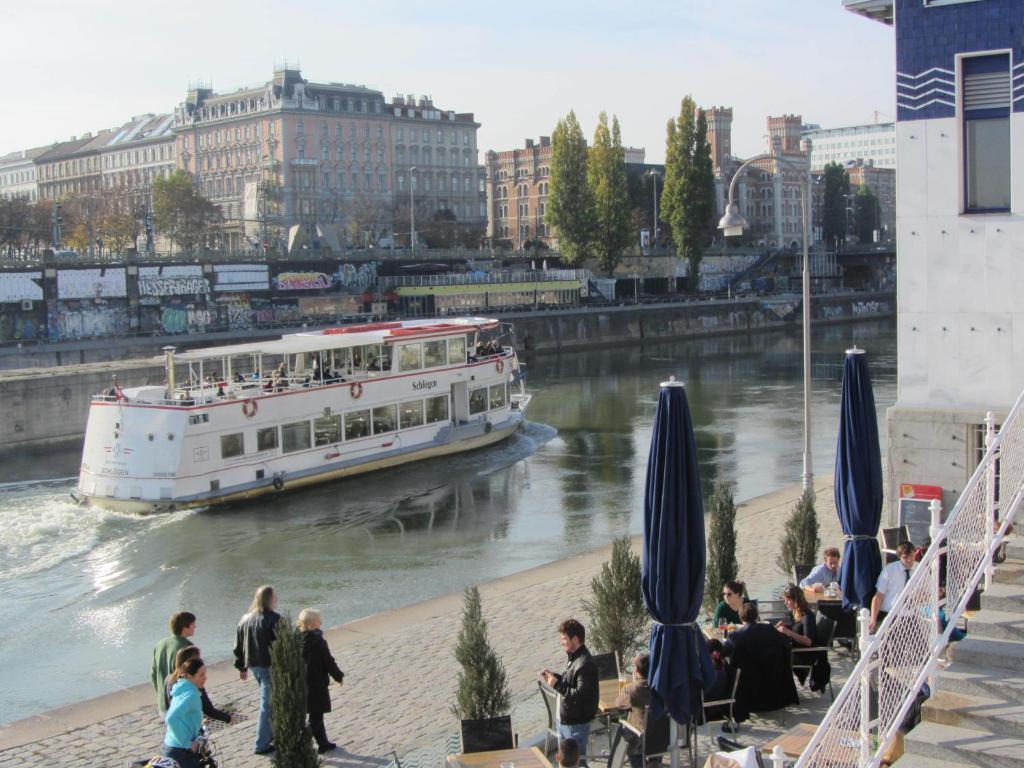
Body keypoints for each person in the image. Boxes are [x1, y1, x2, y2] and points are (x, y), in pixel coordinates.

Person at [724, 603, 799, 720]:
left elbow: (724, 652)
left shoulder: (735, 636)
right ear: (756, 616)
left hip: (749, 694)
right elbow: (785, 643)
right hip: (774, 689)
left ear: (741, 618)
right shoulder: (770, 630)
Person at [541, 619, 599, 765]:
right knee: (566, 764)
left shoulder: (585, 663)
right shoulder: (575, 658)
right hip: (566, 722)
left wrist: (557, 685)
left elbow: (580, 695)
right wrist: (556, 678)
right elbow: (571, 682)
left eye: (564, 639)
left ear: (575, 639)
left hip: (576, 725)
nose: (562, 643)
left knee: (578, 764)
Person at [234, 585, 281, 755]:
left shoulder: (245, 619)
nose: (277, 598)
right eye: (275, 596)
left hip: (253, 664)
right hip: (269, 665)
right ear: (270, 599)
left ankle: (273, 735)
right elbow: (283, 644)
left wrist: (241, 666)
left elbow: (238, 644)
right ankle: (261, 744)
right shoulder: (274, 619)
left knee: (270, 701)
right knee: (267, 704)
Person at [299, 608, 345, 754]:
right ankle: (303, 743)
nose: (322, 623)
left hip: (301, 683)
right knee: (316, 716)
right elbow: (328, 662)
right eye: (319, 621)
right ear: (313, 625)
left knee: (313, 714)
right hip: (316, 683)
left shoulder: (297, 641)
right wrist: (338, 676)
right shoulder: (318, 642)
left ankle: (323, 742)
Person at [165, 646, 232, 724]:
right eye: (198, 659)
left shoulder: (169, 679)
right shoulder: (194, 683)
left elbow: (168, 703)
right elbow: (208, 709)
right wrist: (228, 718)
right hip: (192, 727)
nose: (200, 661)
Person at [162, 656, 207, 768]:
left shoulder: (181, 688)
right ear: (189, 677)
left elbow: (183, 716)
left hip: (171, 745)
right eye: (201, 675)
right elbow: (171, 718)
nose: (205, 678)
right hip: (180, 751)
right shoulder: (191, 695)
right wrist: (187, 743)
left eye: (205, 674)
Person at [614, 653, 656, 768]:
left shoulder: (633, 689)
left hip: (641, 739)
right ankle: (655, 761)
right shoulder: (660, 687)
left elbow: (618, 704)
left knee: (626, 729)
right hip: (662, 738)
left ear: (637, 671)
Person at [151, 611, 196, 715]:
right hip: (181, 704)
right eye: (193, 624)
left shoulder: (160, 644)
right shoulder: (187, 647)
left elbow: (153, 675)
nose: (195, 626)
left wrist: (162, 695)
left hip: (163, 704)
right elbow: (191, 677)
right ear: (185, 627)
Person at [870, 541, 917, 633]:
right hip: (890, 615)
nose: (909, 560)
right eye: (905, 557)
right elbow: (878, 596)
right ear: (899, 557)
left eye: (911, 556)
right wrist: (873, 620)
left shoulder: (918, 570)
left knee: (921, 645)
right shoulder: (889, 570)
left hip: (909, 616)